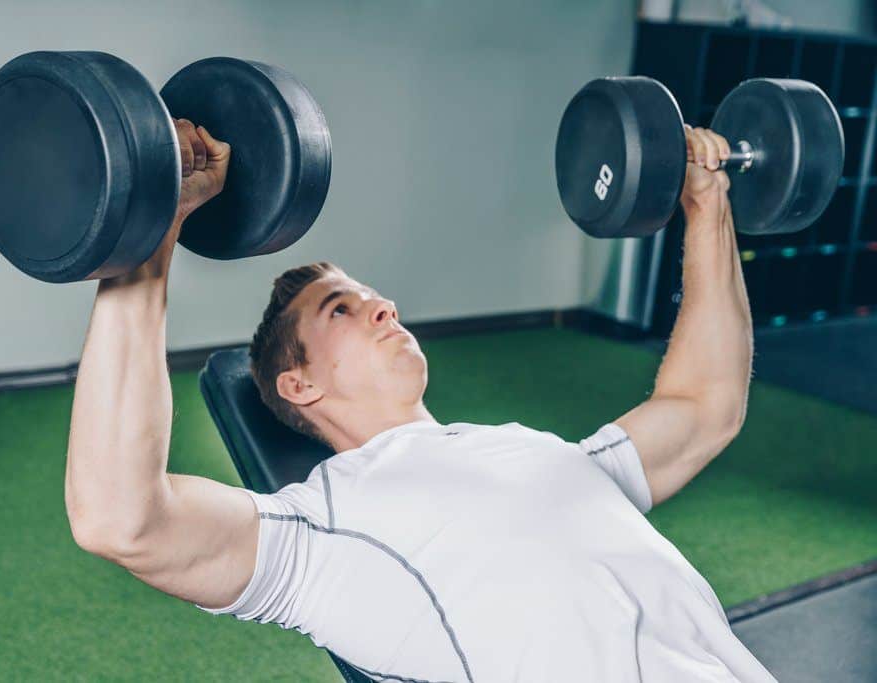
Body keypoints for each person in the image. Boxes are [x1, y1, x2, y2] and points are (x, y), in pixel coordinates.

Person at [65, 117, 773, 682]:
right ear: (298, 383)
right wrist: (153, 230)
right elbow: (120, 518)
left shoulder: (541, 452)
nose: (385, 308)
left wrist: (706, 205)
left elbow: (706, 402)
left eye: (378, 298)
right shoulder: (324, 534)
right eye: (342, 308)